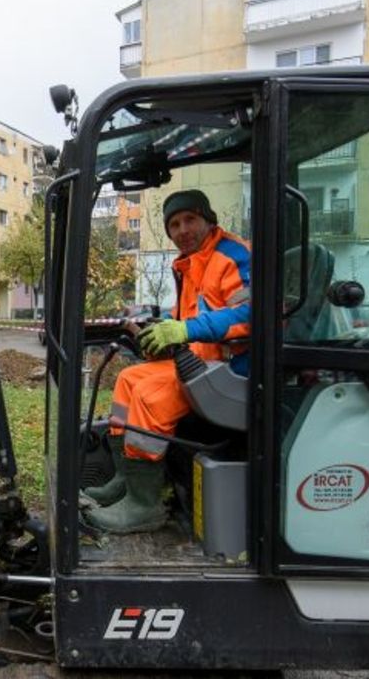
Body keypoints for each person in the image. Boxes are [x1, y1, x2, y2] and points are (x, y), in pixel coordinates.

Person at [83, 189, 250, 534]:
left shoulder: (233, 256)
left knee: (150, 398)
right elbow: (187, 317)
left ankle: (145, 506)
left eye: (190, 219)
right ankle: (127, 482)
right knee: (129, 380)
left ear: (208, 219)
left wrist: (184, 330)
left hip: (236, 368)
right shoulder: (191, 263)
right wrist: (161, 334)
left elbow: (251, 315)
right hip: (203, 359)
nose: (182, 229)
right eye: (174, 224)